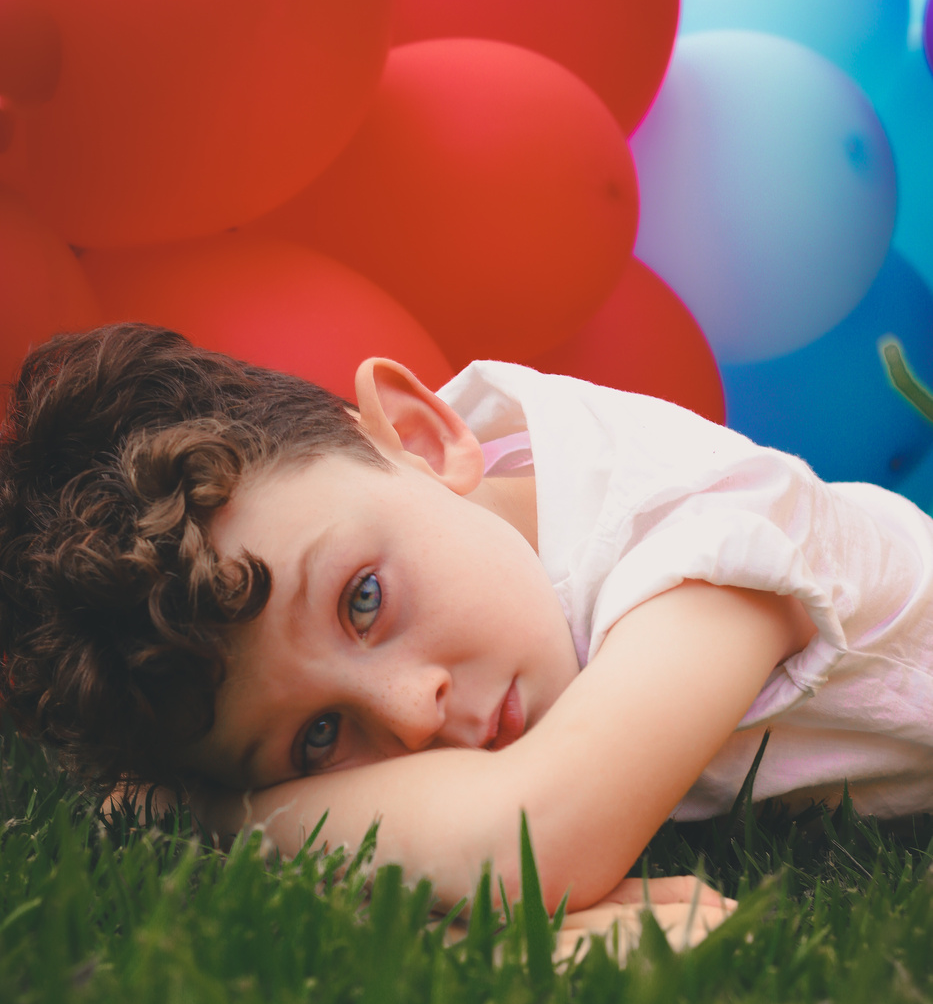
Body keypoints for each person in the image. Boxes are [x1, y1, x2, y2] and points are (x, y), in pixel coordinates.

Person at [1, 322, 932, 923]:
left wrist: (206, 813)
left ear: (419, 436)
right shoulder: (395, 504)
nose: (412, 714)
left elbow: (534, 839)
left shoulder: (698, 530)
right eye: (319, 739)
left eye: (363, 600)